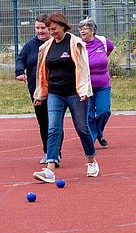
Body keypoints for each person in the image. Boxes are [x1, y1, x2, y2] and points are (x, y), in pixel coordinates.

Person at [32, 12, 99, 183]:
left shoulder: (75, 43)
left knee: (82, 128)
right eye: (49, 29)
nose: (52, 32)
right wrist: (40, 94)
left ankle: (91, 161)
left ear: (62, 25)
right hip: (55, 93)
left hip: (75, 93)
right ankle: (50, 170)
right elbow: (42, 72)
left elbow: (84, 69)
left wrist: (84, 91)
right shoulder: (46, 47)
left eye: (54, 29)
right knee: (53, 129)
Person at [15, 14, 63, 166]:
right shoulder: (30, 45)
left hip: (57, 88)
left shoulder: (57, 43)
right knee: (44, 122)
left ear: (50, 29)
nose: (40, 31)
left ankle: (55, 152)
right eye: (37, 28)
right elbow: (20, 60)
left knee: (55, 122)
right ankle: (48, 152)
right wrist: (20, 72)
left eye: (43, 28)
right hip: (37, 91)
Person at [78, 18, 114, 148]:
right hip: (86, 86)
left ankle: (98, 132)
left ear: (92, 30)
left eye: (85, 28)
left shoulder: (103, 41)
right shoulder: (78, 44)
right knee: (89, 115)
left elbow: (109, 50)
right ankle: (92, 139)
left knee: (104, 111)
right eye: (80, 28)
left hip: (103, 84)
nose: (82, 31)